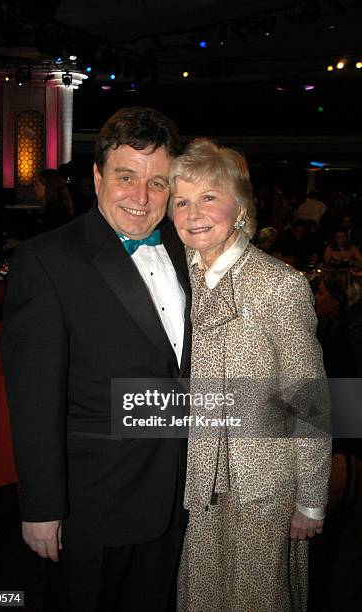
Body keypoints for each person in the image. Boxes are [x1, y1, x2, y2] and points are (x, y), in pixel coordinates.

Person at [0, 107, 191, 611]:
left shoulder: (185, 248)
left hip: (178, 494)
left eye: (158, 182)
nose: (141, 197)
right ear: (97, 176)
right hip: (92, 503)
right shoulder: (47, 261)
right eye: (126, 177)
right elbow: (34, 398)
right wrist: (41, 507)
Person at [169, 139, 331, 612]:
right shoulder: (182, 278)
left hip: (266, 486)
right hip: (200, 482)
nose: (193, 212)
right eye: (181, 200)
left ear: (240, 207)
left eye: (208, 197)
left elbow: (311, 398)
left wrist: (311, 499)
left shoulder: (278, 285)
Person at [34, 169, 74, 233]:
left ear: (48, 187)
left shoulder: (55, 211)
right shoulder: (56, 207)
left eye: (37, 185)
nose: (34, 188)